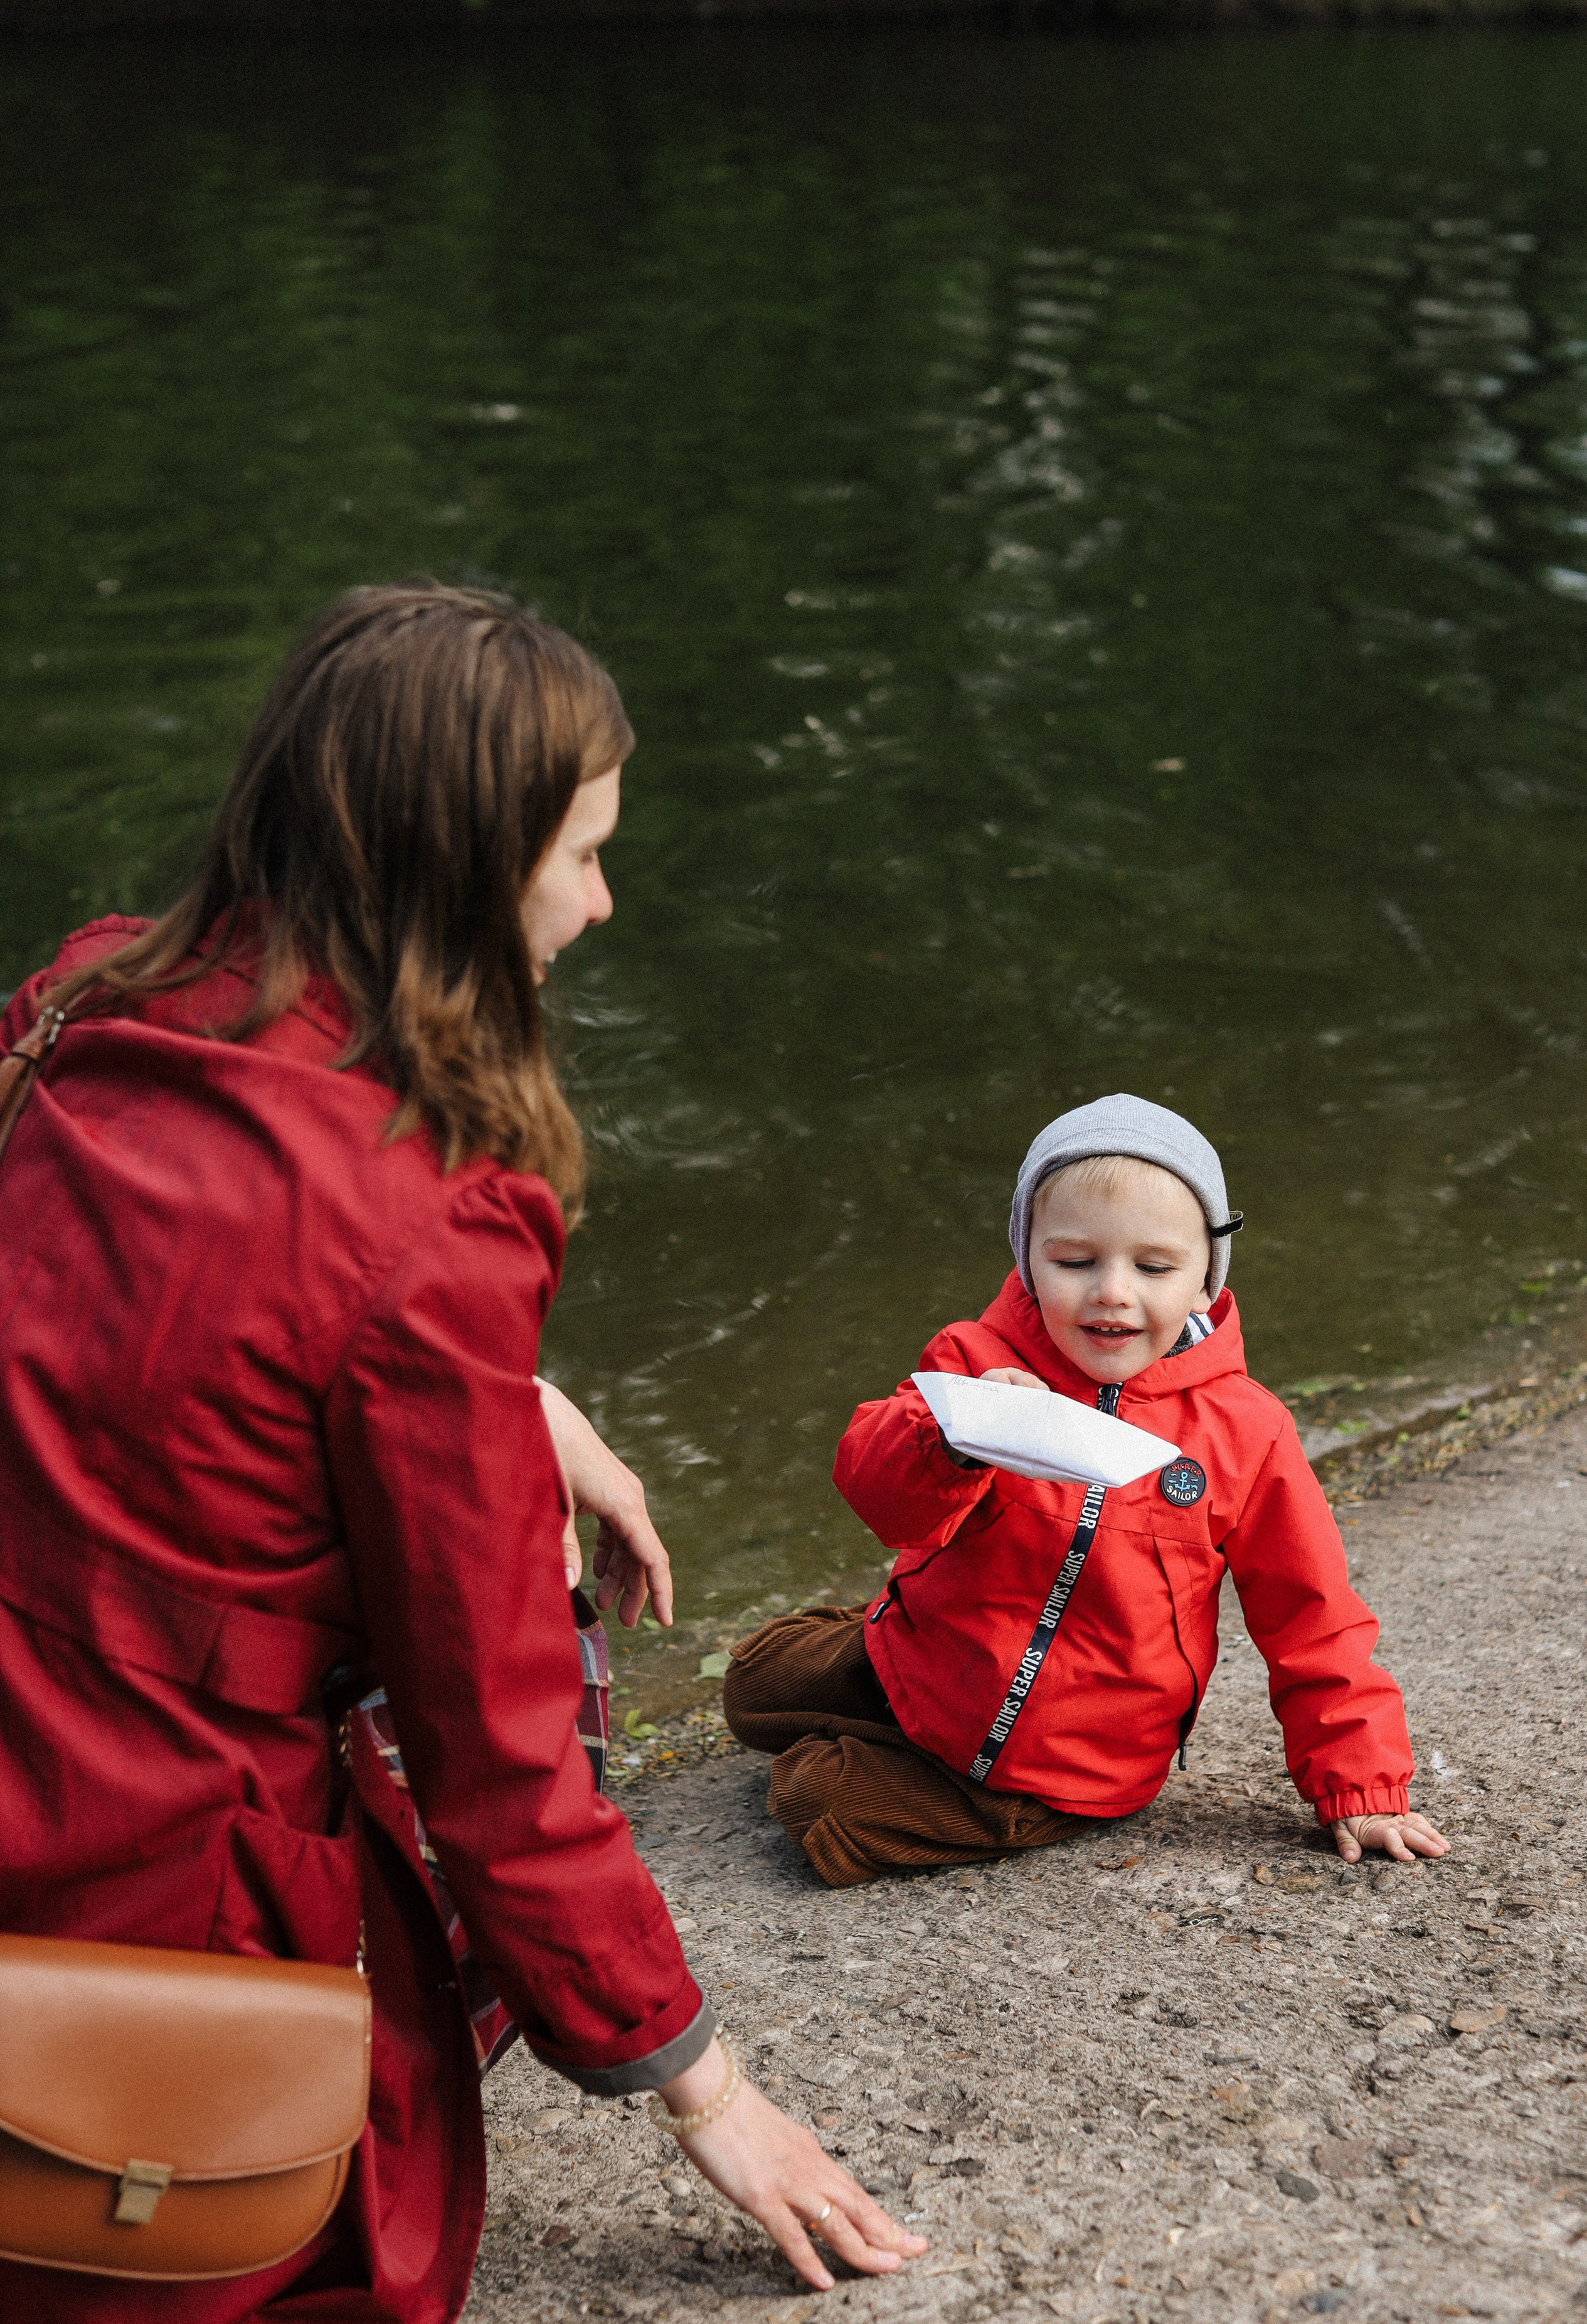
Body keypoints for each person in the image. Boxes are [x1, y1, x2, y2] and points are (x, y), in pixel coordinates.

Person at [0, 582, 923, 2321]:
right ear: (457, 866)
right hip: (136, 1872)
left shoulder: (81, 1002)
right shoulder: (433, 1214)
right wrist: (704, 2090)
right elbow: (493, 1758)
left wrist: (512, 1394)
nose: (601, 898)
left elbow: (178, 1325)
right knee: (542, 1650)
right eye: (577, 854)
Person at [724, 1094, 1451, 1890]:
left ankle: (903, 1768)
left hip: (1068, 1758)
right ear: (1028, 1259)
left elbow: (1313, 1618)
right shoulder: (977, 1359)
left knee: (819, 1803)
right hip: (927, 1660)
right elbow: (880, 1500)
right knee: (751, 1682)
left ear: (1206, 1279)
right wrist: (953, 1436)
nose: (1110, 1292)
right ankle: (872, 1679)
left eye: (1152, 1267)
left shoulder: (1247, 1429)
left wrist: (1360, 1786)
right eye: (1075, 1262)